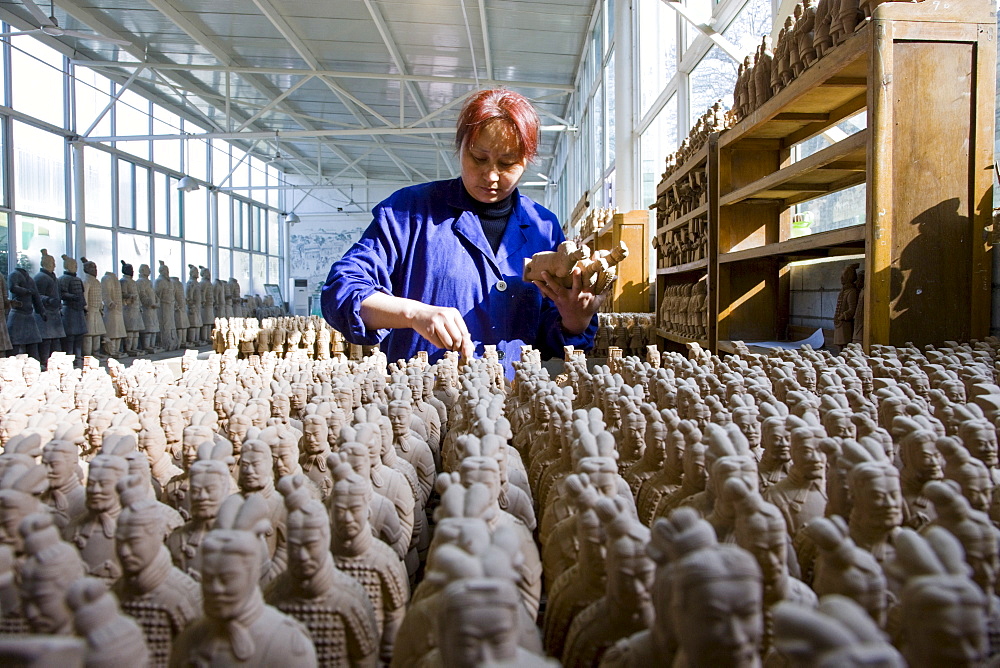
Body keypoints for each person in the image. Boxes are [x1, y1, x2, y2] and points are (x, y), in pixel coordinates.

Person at [321, 89, 602, 377]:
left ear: (526, 161)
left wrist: (574, 320)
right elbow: (342, 291)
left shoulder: (543, 227)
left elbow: (550, 336)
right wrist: (414, 314)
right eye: (478, 158)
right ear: (461, 146)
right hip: (421, 400)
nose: (491, 176)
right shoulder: (410, 213)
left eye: (507, 164)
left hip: (512, 403)